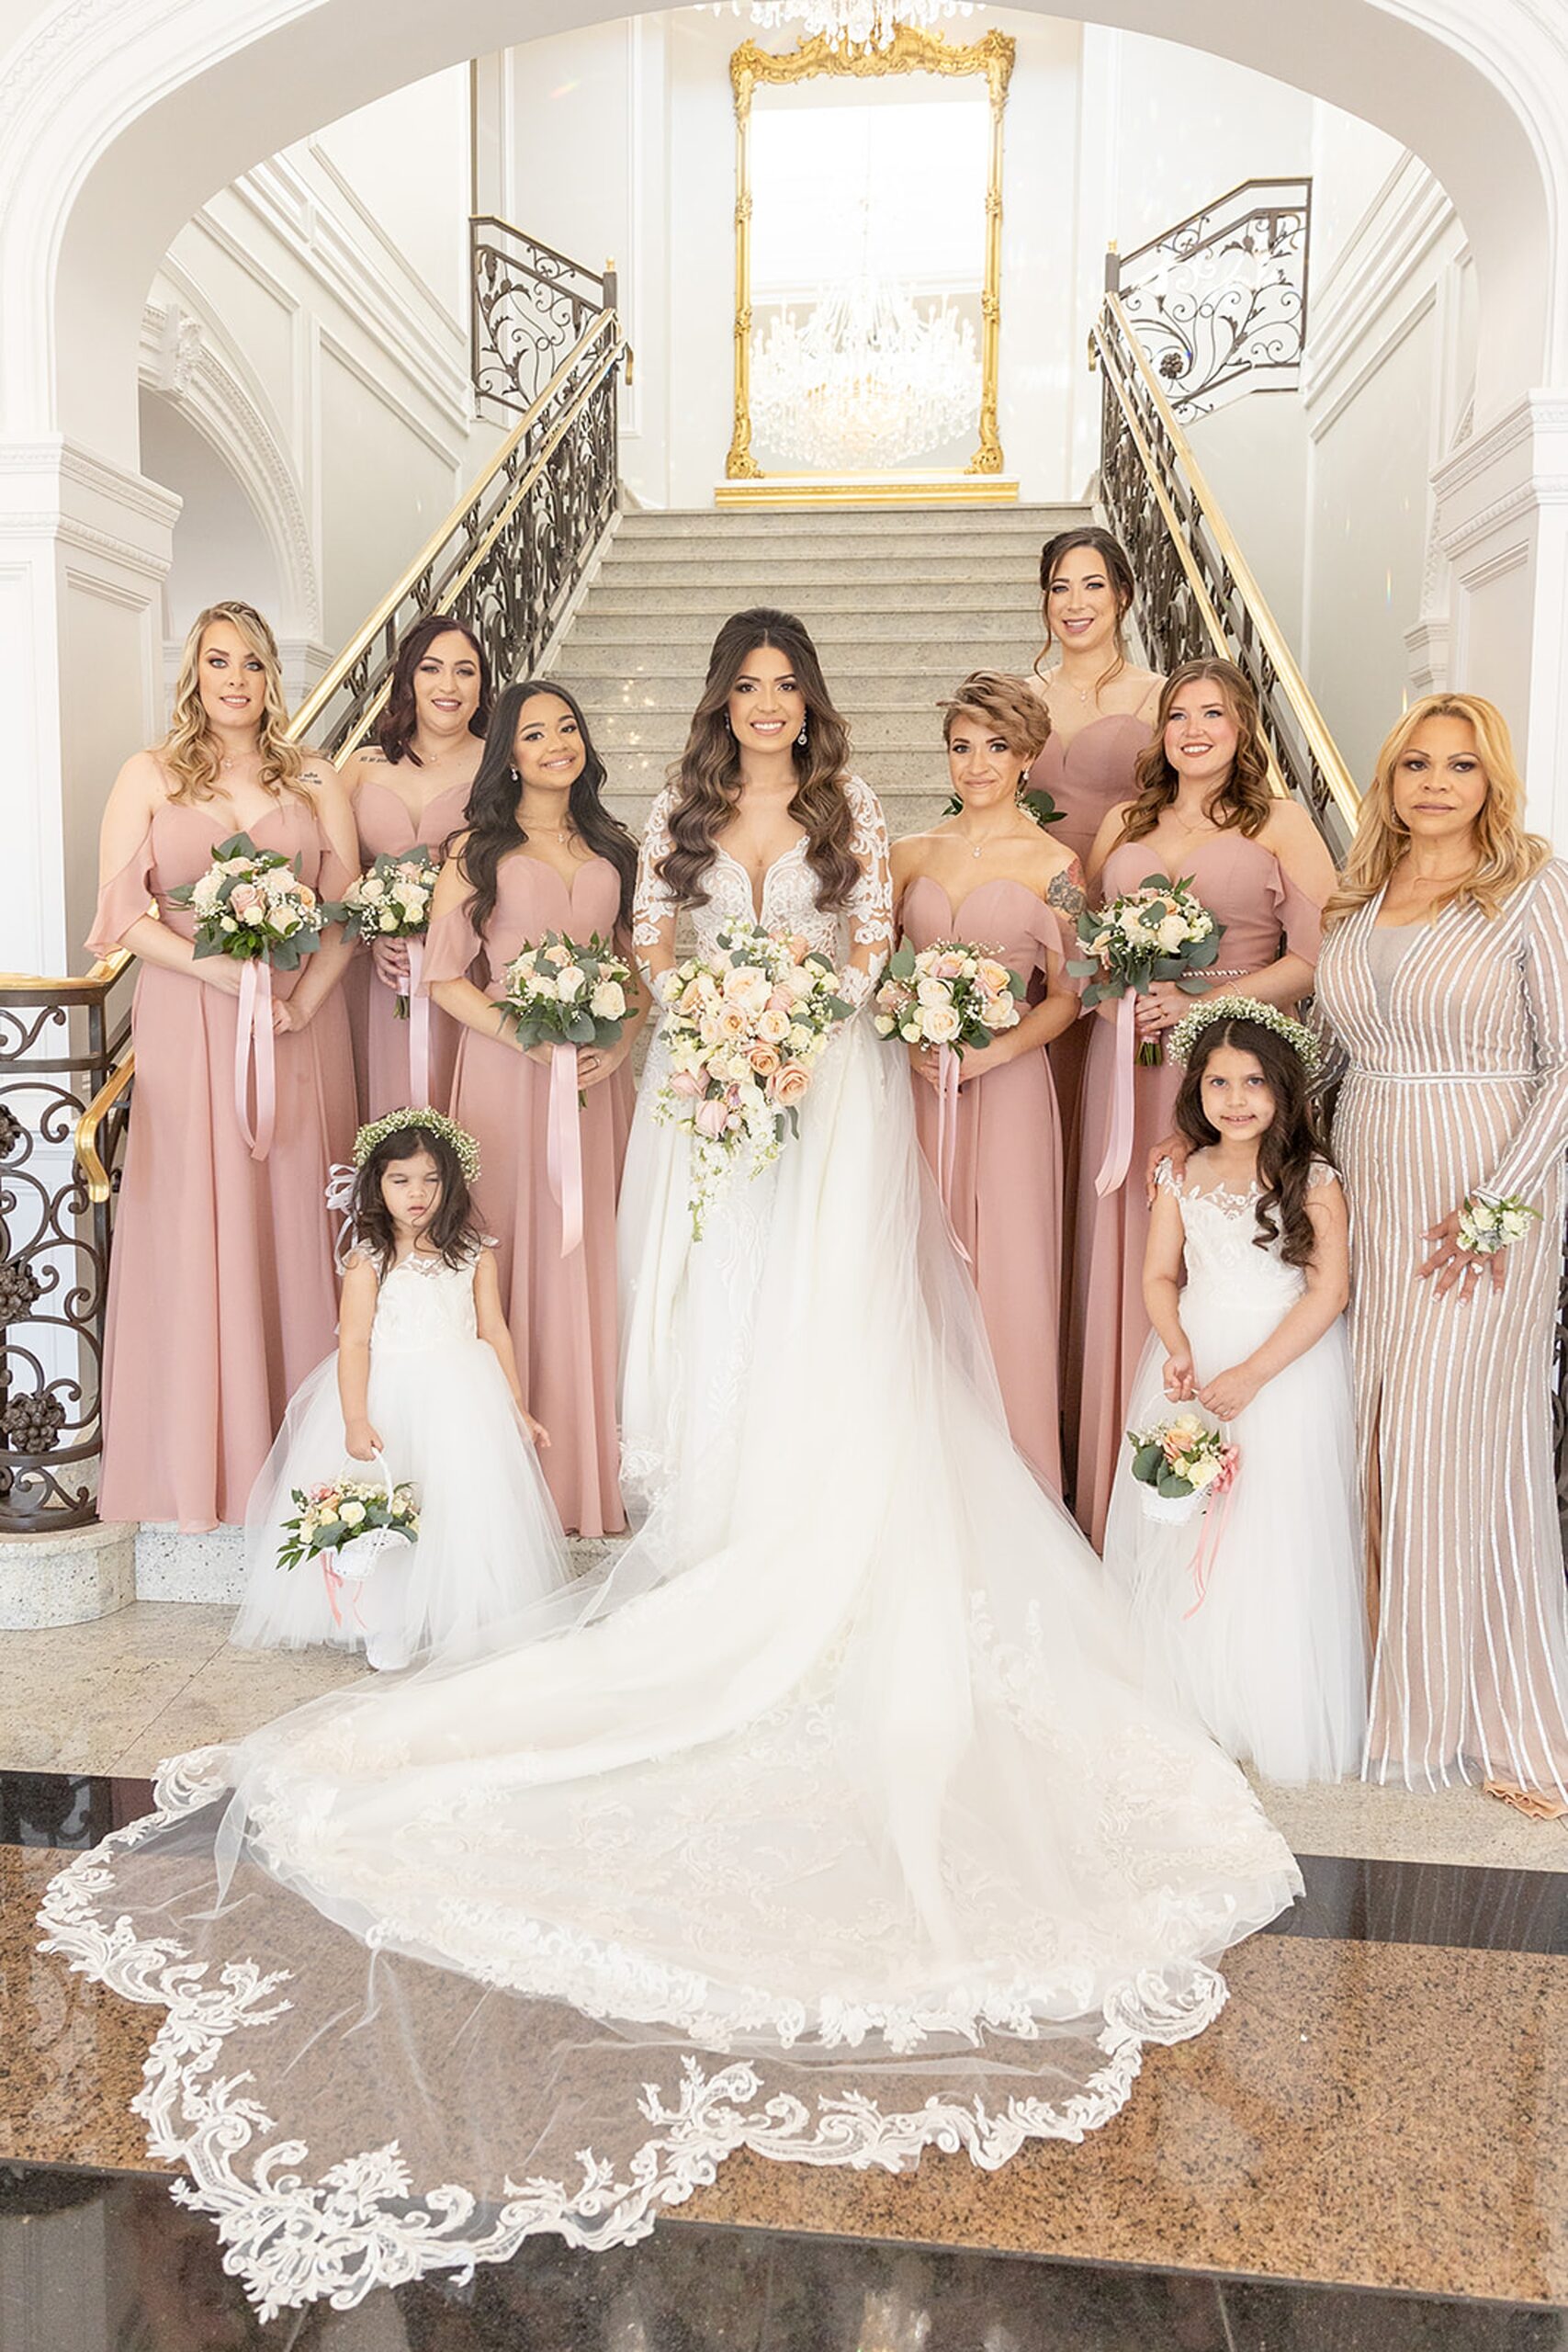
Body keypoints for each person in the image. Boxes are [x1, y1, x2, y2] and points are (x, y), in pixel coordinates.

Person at [41, 609, 1301, 2314]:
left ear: (813, 705)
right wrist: (712, 1023)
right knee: (724, 1333)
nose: (770, 704)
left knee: (837, 1338)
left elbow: (860, 963)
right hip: (720, 1102)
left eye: (791, 682)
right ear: (721, 708)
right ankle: (732, 1537)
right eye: (749, 684)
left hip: (831, 1103)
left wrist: (804, 1012)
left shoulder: (858, 829)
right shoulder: (689, 829)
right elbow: (649, 957)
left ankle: (834, 1541)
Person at [1314, 694, 1568, 1812]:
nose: (1434, 784)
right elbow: (1329, 1064)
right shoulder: (1361, 898)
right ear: (1389, 778)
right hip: (1371, 1191)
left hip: (1480, 1210)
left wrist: (1498, 1206)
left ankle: (1474, 1726)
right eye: (1415, 763)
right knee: (1372, 1445)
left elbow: (1564, 1065)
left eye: (1460, 766)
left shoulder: (1529, 894)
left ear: (1490, 782)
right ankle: (1392, 1699)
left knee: (1442, 1447)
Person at [88, 599, 358, 1531]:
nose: (235, 678)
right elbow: (121, 917)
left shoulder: (315, 777)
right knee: (198, 1213)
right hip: (185, 1016)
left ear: (271, 674)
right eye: (217, 661)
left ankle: (306, 1458)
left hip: (292, 1027)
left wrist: (298, 1005)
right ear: (194, 674)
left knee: (287, 1207)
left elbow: (342, 916)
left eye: (250, 661)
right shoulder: (150, 775)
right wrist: (212, 967)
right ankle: (198, 1462)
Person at [1069, 657, 1336, 1546]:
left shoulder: (1280, 821)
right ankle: (1116, 1459)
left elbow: (1316, 953)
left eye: (1213, 714)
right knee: (1131, 1241)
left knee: (1215, 1248)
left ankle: (1219, 1466)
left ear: (1244, 726)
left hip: (1230, 1068)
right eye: (1177, 713)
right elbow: (1086, 932)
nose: (1191, 729)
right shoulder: (1123, 821)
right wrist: (1115, 973)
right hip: (1128, 1057)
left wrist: (1207, 1005)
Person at [1104, 1000, 1367, 1783]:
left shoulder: (1311, 1178)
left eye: (1253, 1081)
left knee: (1274, 1528)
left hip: (1283, 1369)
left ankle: (1268, 1698)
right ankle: (1195, 1693)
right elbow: (1158, 1275)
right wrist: (1178, 1347)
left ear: (1283, 1088)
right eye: (1218, 1082)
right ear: (1195, 1092)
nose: (1236, 1098)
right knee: (1190, 1528)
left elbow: (1327, 1293)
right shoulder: (1180, 1174)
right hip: (1197, 1352)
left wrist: (1252, 1374)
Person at [231, 1109, 566, 1671]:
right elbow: (356, 1343)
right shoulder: (369, 1260)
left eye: (431, 1180)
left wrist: (517, 1408)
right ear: (377, 1183)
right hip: (391, 1395)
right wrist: (355, 1419)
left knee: (464, 1506)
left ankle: (463, 1616)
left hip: (465, 1395)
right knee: (392, 1510)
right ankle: (384, 1623)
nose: (418, 1194)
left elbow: (493, 1330)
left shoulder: (474, 1253)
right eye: (401, 1180)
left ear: (451, 1184)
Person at [423, 680, 641, 1538]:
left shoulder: (612, 846)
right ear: (506, 753)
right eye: (534, 732)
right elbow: (445, 980)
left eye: (568, 728)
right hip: (505, 1078)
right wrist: (519, 1033)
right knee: (506, 1250)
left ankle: (588, 1471)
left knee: (590, 1256)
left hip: (591, 1080)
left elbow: (632, 973)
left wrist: (617, 1046)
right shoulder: (473, 848)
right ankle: (504, 1480)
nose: (557, 743)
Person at [892, 670, 1085, 1490]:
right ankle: (922, 1463)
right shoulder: (906, 853)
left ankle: (1020, 1472)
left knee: (1009, 1268)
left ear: (1027, 756)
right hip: (918, 1086)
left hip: (1008, 1090)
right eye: (960, 747)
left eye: (994, 747)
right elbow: (872, 974)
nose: (974, 765)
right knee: (918, 1257)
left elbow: (1072, 997)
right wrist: (909, 1045)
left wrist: (992, 1055)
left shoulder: (1058, 864)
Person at [1023, 528, 1162, 1222]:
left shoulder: (1162, 696)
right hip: (1034, 920)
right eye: (1058, 587)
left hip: (1123, 925)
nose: (1073, 603)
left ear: (1123, 596)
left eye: (1091, 585)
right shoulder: (1017, 696)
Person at [338, 616, 492, 1120]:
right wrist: (370, 935)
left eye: (465, 672)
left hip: (465, 964)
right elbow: (333, 872)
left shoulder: (501, 766)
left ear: (481, 687)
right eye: (431, 668)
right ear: (408, 680)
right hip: (376, 971)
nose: (448, 686)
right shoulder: (362, 765)